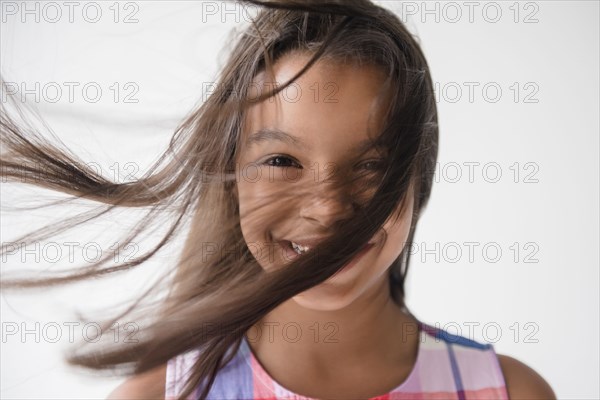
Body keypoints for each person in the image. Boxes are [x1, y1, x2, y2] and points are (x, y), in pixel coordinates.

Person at [1, 1, 556, 399]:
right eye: (283, 162)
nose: (329, 208)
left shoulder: (511, 391)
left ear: (418, 177)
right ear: (232, 176)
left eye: (370, 166)